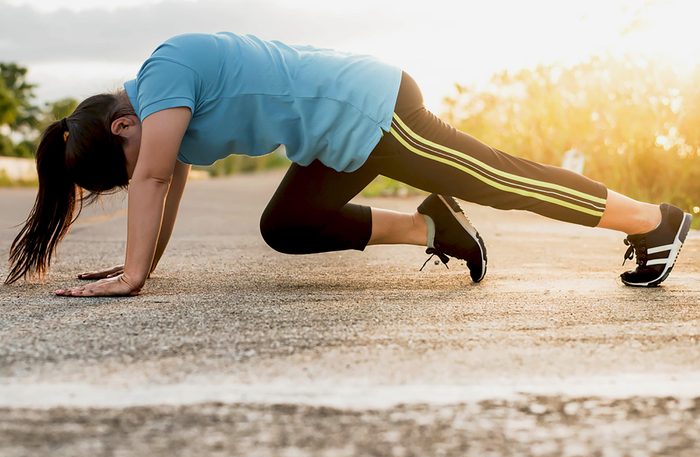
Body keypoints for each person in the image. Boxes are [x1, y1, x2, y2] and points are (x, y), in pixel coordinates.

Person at [3, 32, 693, 296]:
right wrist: (143, 266)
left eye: (123, 160)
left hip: (369, 108)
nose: (139, 167)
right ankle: (435, 228)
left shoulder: (165, 72)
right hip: (337, 140)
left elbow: (152, 177)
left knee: (498, 178)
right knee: (289, 222)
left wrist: (128, 275)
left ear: (123, 124)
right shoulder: (160, 112)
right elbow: (168, 181)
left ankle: (654, 220)